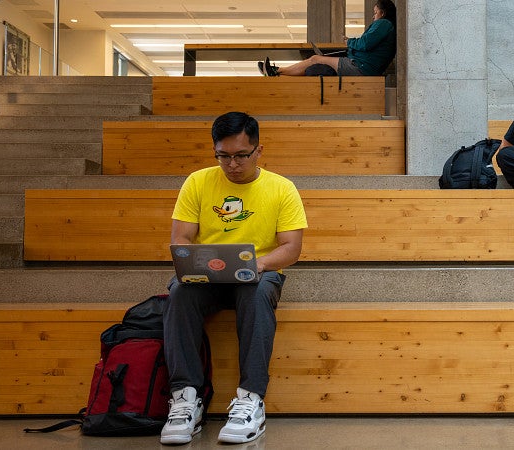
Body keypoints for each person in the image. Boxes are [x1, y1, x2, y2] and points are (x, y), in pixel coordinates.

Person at [159, 112, 308, 445]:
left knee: (257, 293)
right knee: (178, 292)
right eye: (223, 156)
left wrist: (259, 264)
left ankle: (250, 399)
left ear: (259, 151)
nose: (232, 164)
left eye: (242, 155)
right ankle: (185, 398)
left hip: (259, 275)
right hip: (207, 277)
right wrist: (195, 263)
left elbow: (291, 249)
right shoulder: (197, 182)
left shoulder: (282, 188)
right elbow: (181, 238)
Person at [259, 0, 396, 77]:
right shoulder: (387, 27)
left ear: (382, 13)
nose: (373, 16)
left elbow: (365, 43)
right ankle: (276, 72)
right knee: (317, 61)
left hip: (361, 67)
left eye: (375, 13)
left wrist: (350, 42)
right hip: (362, 66)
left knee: (315, 59)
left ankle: (276, 71)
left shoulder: (383, 23)